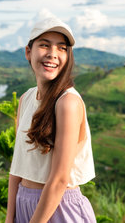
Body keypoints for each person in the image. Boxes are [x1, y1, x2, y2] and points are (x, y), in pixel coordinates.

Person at [5, 17, 96, 223]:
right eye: (44, 45)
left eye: (61, 48)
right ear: (28, 52)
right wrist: (10, 217)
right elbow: (17, 165)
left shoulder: (67, 103)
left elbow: (59, 180)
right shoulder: (26, 99)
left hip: (60, 208)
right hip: (24, 205)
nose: (52, 54)